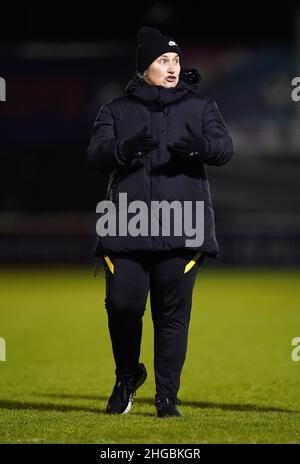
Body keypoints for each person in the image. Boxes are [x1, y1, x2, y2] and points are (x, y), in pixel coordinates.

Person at [86, 26, 233, 418]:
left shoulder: (200, 107)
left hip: (182, 227)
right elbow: (97, 154)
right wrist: (124, 149)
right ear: (144, 68)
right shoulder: (115, 109)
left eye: (176, 60)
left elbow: (224, 148)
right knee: (122, 305)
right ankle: (126, 378)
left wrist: (203, 147)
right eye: (162, 61)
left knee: (172, 317)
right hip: (127, 227)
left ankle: (167, 398)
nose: (172, 67)